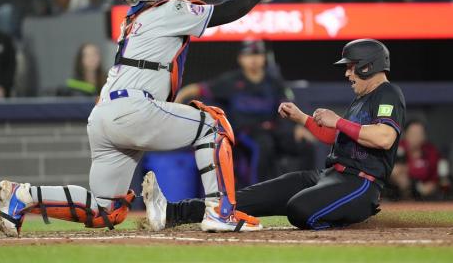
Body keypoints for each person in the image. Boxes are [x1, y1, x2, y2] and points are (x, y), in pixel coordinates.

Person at [0, 0, 284, 237]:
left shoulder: (136, 16)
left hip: (104, 117)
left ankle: (23, 195)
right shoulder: (168, 10)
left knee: (107, 210)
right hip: (135, 109)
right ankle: (220, 213)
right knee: (213, 126)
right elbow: (221, 13)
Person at [144, 39, 406, 230]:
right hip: (330, 176)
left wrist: (337, 121)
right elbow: (332, 139)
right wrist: (302, 118)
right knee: (248, 197)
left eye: (351, 66)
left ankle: (341, 220)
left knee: (299, 209)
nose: (347, 73)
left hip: (360, 184)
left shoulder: (387, 93)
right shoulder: (361, 99)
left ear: (367, 67)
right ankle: (172, 212)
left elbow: (384, 137)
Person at [176, 40, 314, 185]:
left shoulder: (274, 82)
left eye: (257, 54)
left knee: (306, 144)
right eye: (248, 55)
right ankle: (258, 193)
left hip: (273, 131)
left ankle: (305, 188)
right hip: (244, 133)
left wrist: (297, 127)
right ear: (240, 58)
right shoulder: (230, 81)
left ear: (264, 57)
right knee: (263, 145)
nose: (253, 59)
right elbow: (196, 89)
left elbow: (288, 108)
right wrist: (178, 99)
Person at [389, 119, 441, 200]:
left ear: (424, 136)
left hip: (425, 194)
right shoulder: (396, 149)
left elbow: (436, 177)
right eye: (413, 134)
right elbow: (390, 170)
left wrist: (407, 169)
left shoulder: (431, 151)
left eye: (419, 134)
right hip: (397, 193)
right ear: (406, 134)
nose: (416, 137)